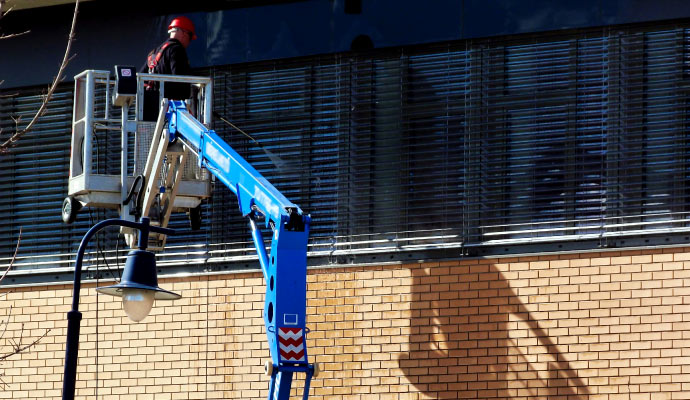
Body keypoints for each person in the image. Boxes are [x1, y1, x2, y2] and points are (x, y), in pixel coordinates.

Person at [141, 16, 197, 121]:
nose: (189, 42)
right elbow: (180, 79)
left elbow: (140, 80)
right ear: (184, 33)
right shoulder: (176, 49)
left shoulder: (153, 54)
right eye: (190, 37)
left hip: (151, 110)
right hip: (171, 111)